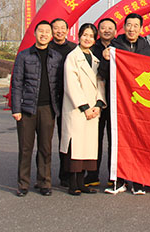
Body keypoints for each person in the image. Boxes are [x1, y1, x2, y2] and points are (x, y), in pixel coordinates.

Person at [10, 20, 64, 197]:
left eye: (47, 31)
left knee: (45, 148)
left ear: (51, 35)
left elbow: (60, 84)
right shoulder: (24, 56)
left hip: (48, 109)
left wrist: (58, 108)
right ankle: (23, 184)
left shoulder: (56, 57)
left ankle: (44, 182)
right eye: (41, 31)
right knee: (25, 149)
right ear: (35, 33)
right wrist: (16, 108)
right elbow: (16, 83)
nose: (44, 34)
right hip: (27, 109)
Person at [103, 13, 150, 195]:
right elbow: (103, 73)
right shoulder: (114, 47)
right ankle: (117, 179)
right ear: (124, 27)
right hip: (118, 101)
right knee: (116, 140)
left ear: (141, 28)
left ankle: (139, 180)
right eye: (129, 25)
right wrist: (106, 59)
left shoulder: (147, 49)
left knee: (139, 139)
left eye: (135, 25)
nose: (132, 29)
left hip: (140, 103)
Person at [60, 23, 106, 196]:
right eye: (85, 35)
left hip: (93, 110)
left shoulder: (95, 59)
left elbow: (100, 82)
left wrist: (99, 104)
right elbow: (71, 84)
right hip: (77, 110)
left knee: (87, 147)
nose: (87, 39)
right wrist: (84, 107)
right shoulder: (73, 57)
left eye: (91, 36)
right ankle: (73, 184)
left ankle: (82, 182)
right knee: (75, 148)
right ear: (79, 36)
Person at [87, 17, 117, 188]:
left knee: (114, 139)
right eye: (103, 28)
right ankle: (92, 174)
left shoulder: (120, 46)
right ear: (98, 31)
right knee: (94, 138)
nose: (106, 31)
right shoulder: (91, 48)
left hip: (116, 101)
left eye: (110, 28)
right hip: (95, 100)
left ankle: (113, 175)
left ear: (115, 31)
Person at [49, 17, 77, 188]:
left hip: (68, 99)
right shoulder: (46, 47)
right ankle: (43, 176)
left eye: (62, 28)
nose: (59, 31)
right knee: (45, 140)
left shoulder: (74, 49)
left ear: (67, 30)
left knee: (66, 138)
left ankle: (66, 174)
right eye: (56, 28)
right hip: (49, 98)